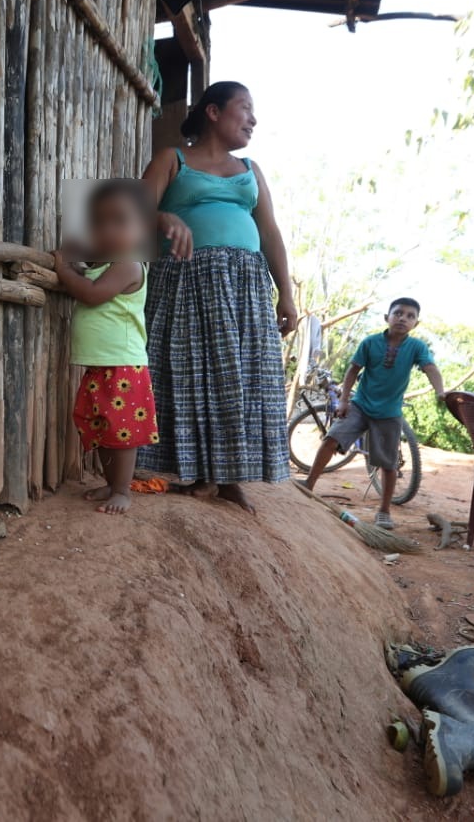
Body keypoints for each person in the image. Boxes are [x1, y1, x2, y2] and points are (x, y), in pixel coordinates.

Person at [139, 81, 296, 513]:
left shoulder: (250, 169)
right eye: (244, 108)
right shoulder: (174, 160)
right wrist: (163, 216)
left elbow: (270, 233)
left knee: (241, 377)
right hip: (187, 280)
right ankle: (191, 471)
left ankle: (226, 478)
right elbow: (128, 208)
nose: (253, 119)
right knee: (188, 373)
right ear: (213, 112)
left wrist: (286, 294)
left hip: (245, 286)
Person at [54, 179, 159, 515]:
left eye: (120, 221)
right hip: (103, 364)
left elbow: (91, 294)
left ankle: (123, 490)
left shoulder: (128, 264)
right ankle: (111, 483)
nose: (108, 230)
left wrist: (62, 269)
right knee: (100, 425)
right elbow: (87, 268)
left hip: (124, 364)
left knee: (121, 431)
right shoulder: (104, 264)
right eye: (99, 223)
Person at [304, 298, 445, 528]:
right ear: (386, 318)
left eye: (410, 316)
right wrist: (343, 401)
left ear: (416, 324)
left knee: (388, 464)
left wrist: (440, 392)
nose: (403, 318)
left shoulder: (417, 347)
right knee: (331, 439)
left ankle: (384, 511)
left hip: (389, 412)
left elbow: (430, 368)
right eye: (398, 313)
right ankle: (309, 483)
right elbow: (353, 370)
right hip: (360, 405)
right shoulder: (370, 343)